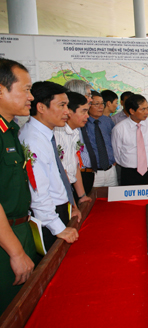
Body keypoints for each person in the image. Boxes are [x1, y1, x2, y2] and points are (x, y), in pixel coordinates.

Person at [19, 81, 80, 252]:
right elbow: (37, 191)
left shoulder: (46, 134)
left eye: (67, 106)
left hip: (58, 210)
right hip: (47, 217)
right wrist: (58, 227)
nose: (67, 112)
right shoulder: (32, 140)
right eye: (62, 105)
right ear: (41, 107)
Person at [0, 59, 37, 315]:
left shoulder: (11, 130)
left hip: (21, 230)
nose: (31, 97)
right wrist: (15, 252)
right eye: (25, 89)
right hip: (5, 241)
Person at [54, 92, 92, 204]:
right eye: (83, 111)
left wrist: (82, 196)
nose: (87, 116)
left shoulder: (75, 131)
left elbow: (74, 164)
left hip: (69, 190)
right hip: (59, 194)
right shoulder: (56, 133)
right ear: (69, 112)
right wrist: (73, 205)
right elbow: (62, 172)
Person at [112, 94, 148, 185]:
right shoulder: (119, 128)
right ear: (132, 111)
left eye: (147, 108)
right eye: (143, 109)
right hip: (129, 173)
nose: (147, 112)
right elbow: (117, 153)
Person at [81, 90, 118, 187]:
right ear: (88, 105)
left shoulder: (107, 121)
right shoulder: (82, 123)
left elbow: (114, 141)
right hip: (93, 172)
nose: (101, 107)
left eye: (102, 103)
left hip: (110, 171)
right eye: (96, 104)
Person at [64, 80, 94, 194]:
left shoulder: (77, 128)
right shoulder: (59, 130)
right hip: (69, 181)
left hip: (83, 175)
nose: (91, 99)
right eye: (88, 95)